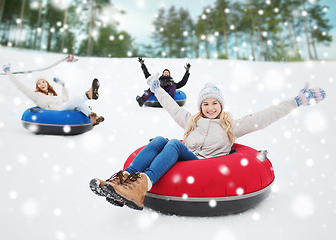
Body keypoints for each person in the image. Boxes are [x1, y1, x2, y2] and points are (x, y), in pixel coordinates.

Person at [90, 73, 326, 210]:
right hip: (182, 160)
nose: (210, 107)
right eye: (205, 104)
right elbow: (171, 106)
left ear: (221, 105)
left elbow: (264, 117)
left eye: (214, 103)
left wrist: (295, 102)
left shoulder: (230, 126)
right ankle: (121, 181)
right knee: (162, 139)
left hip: (203, 165)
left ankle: (144, 184)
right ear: (200, 106)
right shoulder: (191, 121)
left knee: (173, 144)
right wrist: (156, 90)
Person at [3, 63, 104, 126]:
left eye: (43, 82)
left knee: (78, 104)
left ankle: (93, 117)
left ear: (47, 83)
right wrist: (8, 71)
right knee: (73, 101)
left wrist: (63, 85)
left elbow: (65, 98)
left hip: (65, 108)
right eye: (39, 83)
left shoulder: (53, 96)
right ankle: (87, 95)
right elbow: (19, 85)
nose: (41, 84)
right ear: (37, 86)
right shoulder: (36, 96)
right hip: (59, 112)